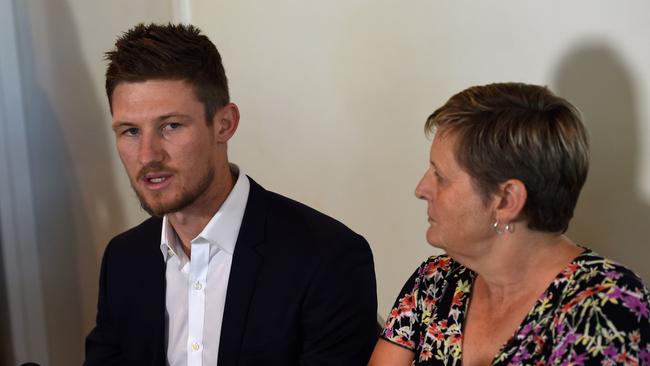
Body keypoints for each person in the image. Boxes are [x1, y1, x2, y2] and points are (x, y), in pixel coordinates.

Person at [84, 23, 378, 366]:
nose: (148, 155)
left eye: (171, 126)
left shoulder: (327, 259)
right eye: (130, 131)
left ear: (224, 124)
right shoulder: (123, 260)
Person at [369, 82, 650, 365]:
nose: (421, 189)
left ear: (506, 200)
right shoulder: (435, 282)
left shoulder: (607, 303)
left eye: (440, 176)